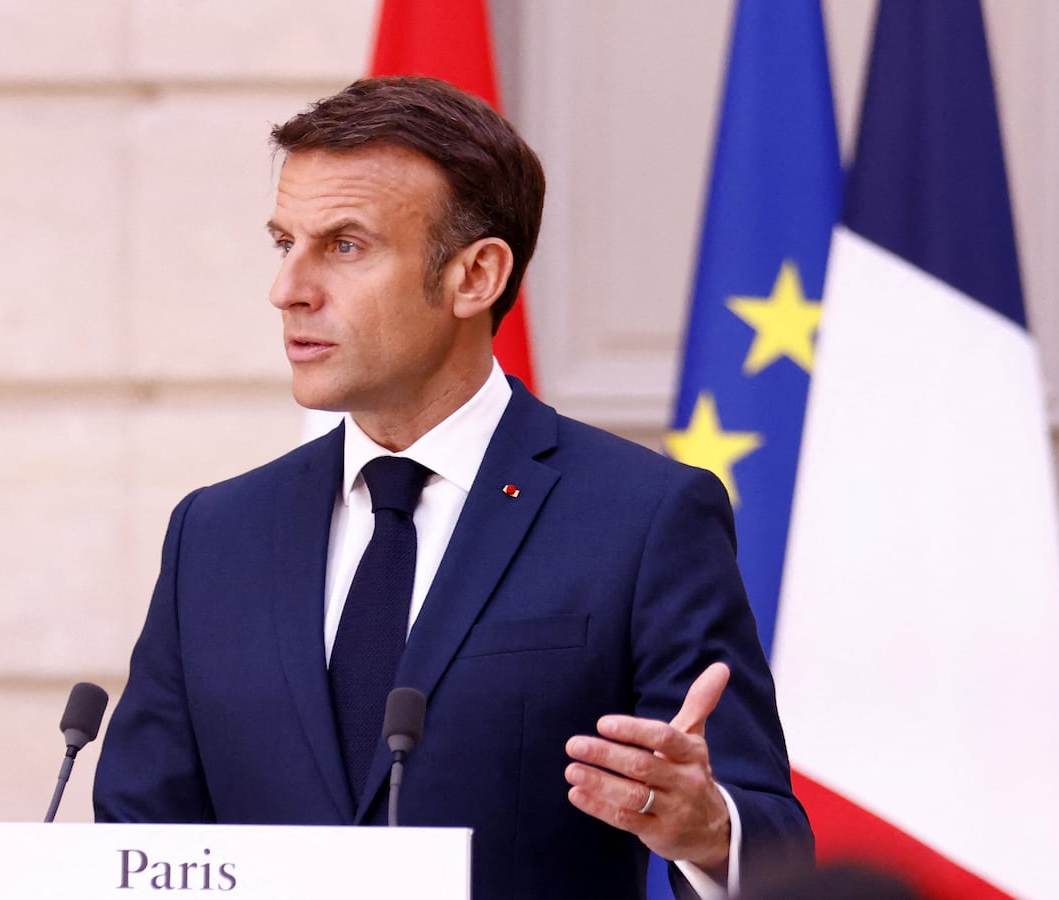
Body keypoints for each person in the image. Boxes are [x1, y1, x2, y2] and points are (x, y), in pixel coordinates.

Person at [93, 75, 811, 899]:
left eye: (345, 246)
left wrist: (709, 830)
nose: (287, 288)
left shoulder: (643, 518)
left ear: (476, 276)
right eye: (284, 242)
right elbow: (136, 837)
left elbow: (776, 851)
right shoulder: (214, 534)